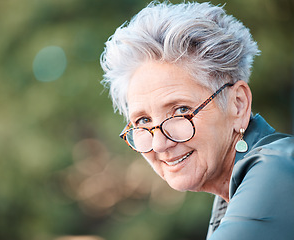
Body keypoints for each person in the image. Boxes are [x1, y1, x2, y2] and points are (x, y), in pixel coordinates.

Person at [100, 1, 294, 239]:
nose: (160, 144)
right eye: (142, 122)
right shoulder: (231, 194)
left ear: (238, 104)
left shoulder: (278, 169)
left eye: (181, 111)